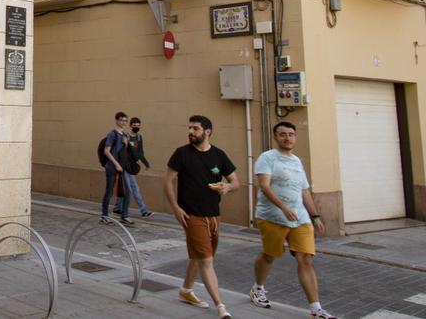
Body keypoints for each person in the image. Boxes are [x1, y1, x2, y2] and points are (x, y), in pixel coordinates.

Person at [249, 121, 335, 319]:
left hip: (300, 218)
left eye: (291, 134)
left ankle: (316, 309)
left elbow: (304, 191)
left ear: (295, 137)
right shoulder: (267, 158)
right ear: (275, 137)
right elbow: (264, 186)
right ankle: (258, 288)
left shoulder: (297, 161)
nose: (287, 138)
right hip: (272, 217)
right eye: (282, 134)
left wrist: (315, 216)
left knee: (305, 258)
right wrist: (283, 207)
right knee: (269, 255)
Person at [164, 114, 239, 319]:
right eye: (189, 128)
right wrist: (176, 208)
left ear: (207, 132)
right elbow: (168, 181)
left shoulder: (219, 155)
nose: (191, 132)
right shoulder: (181, 154)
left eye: (195, 128)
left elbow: (235, 182)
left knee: (199, 256)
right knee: (206, 260)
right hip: (192, 215)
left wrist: (227, 187)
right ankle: (221, 306)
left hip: (214, 215)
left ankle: (186, 291)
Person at [113, 117, 153, 217]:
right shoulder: (125, 136)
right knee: (130, 189)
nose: (136, 127)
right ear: (130, 125)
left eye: (138, 126)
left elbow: (140, 153)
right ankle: (143, 211)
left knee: (131, 188)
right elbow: (121, 151)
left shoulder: (139, 137)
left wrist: (146, 163)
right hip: (124, 165)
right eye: (134, 125)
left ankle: (117, 207)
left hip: (131, 166)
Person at [101, 111, 134, 225]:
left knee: (127, 191)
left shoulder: (125, 135)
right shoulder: (112, 134)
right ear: (116, 121)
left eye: (125, 120)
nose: (123, 122)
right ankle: (104, 216)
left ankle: (124, 216)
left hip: (121, 168)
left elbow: (125, 153)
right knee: (109, 191)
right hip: (112, 167)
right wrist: (116, 164)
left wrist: (126, 144)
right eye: (121, 120)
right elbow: (106, 151)